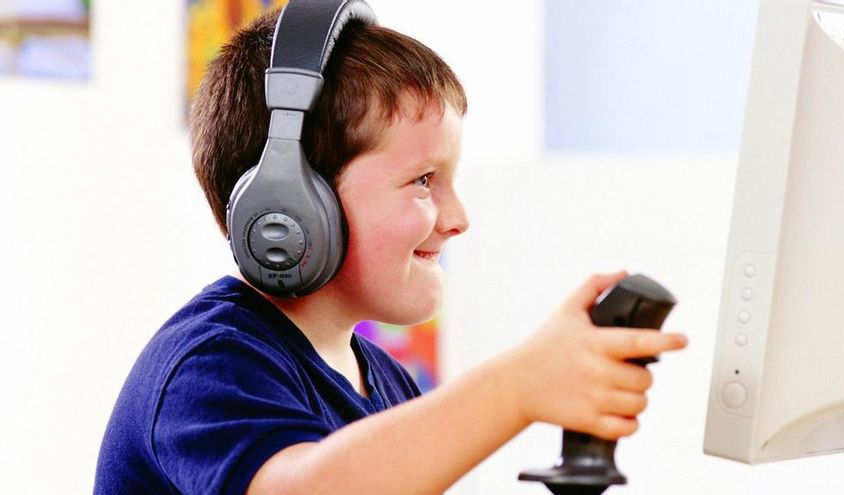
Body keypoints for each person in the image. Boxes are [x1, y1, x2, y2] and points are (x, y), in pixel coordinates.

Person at [95, 6, 688, 495]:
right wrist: (519, 385)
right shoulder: (210, 364)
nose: (458, 220)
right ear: (291, 203)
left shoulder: (388, 384)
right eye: (424, 180)